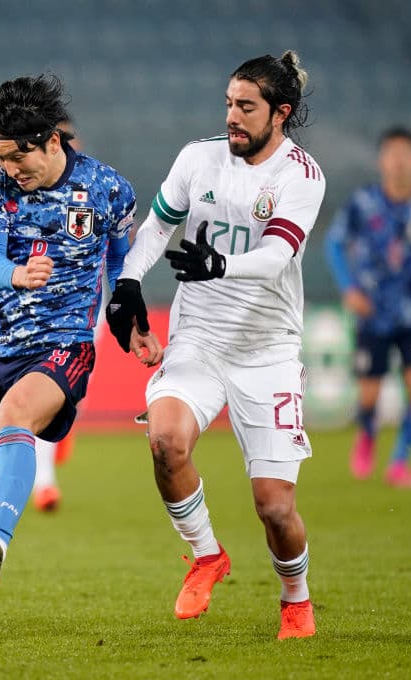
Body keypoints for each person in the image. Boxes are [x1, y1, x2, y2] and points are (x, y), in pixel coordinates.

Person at [105, 51, 324, 640]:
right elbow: (156, 228)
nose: (232, 116)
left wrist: (219, 263)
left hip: (268, 350)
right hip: (197, 337)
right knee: (165, 443)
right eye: (229, 103)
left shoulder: (301, 176)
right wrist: (128, 282)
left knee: (275, 508)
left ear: (281, 114)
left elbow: (279, 255)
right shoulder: (198, 159)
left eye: (246, 107)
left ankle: (295, 598)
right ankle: (207, 556)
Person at [0, 75, 151, 634]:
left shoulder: (108, 190)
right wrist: (18, 275)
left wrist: (131, 321)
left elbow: (122, 264)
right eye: (0, 157)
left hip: (64, 342)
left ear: (53, 141)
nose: (9, 169)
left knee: (16, 416)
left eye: (17, 158)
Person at [324, 126, 411, 488]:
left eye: (406, 154)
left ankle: (399, 462)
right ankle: (366, 434)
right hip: (372, 313)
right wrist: (348, 288)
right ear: (382, 161)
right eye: (392, 154)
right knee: (369, 395)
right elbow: (334, 244)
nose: (398, 161)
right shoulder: (363, 203)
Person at [31, 115, 83, 513]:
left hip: (85, 312)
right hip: (36, 314)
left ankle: (63, 421)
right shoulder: (22, 193)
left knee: (60, 396)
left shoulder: (93, 189)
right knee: (40, 397)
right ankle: (44, 483)